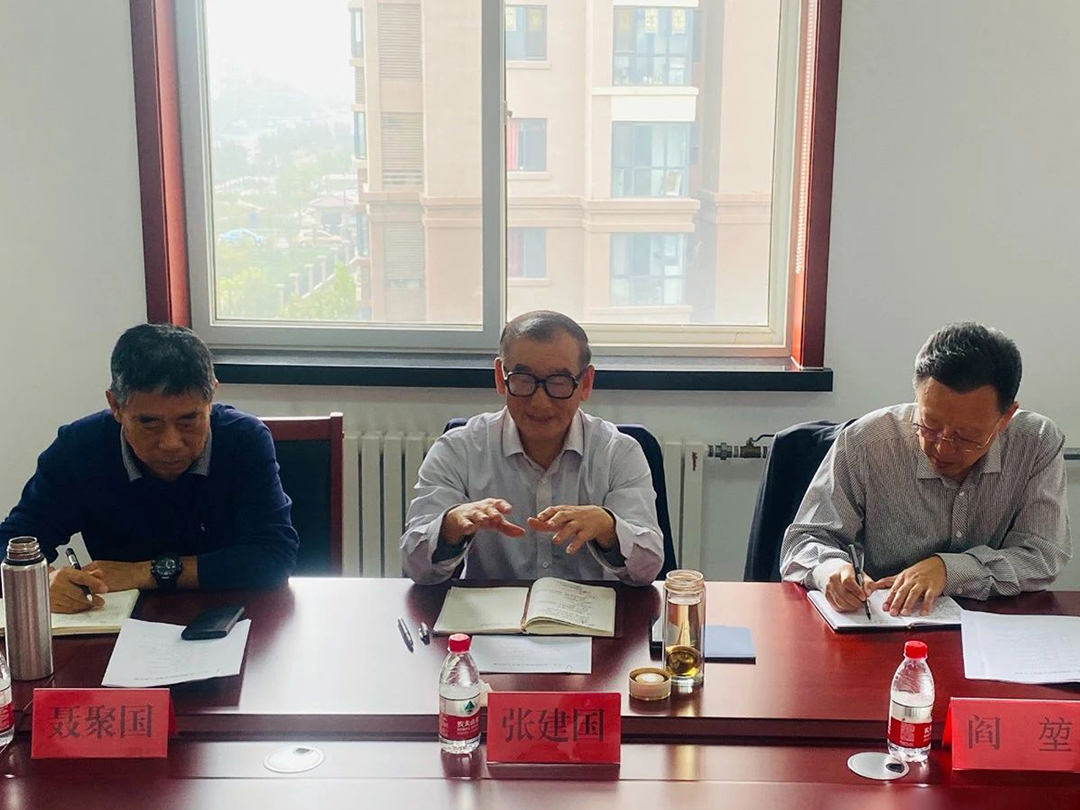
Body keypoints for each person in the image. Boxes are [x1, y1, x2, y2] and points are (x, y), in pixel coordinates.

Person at [0, 324, 298, 613]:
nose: (171, 443)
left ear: (211, 398)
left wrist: (143, 573)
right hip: (117, 626)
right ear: (116, 406)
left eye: (188, 420)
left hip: (233, 618)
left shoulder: (243, 440)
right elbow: (9, 542)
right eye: (149, 422)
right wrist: (44, 581)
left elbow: (274, 556)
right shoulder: (79, 449)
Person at [780, 322, 1070, 615]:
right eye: (930, 425)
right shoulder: (866, 443)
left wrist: (949, 570)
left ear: (1006, 417)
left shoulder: (1036, 443)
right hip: (886, 621)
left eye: (966, 437)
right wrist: (830, 569)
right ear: (917, 396)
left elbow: (1043, 555)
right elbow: (804, 540)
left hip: (994, 624)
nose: (943, 448)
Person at [401, 311, 664, 585]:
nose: (540, 402)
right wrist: (449, 528)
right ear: (500, 378)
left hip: (590, 610)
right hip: (493, 611)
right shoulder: (458, 450)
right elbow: (415, 568)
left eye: (559, 382)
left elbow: (648, 570)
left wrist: (608, 529)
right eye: (523, 379)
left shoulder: (619, 452)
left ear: (585, 383)